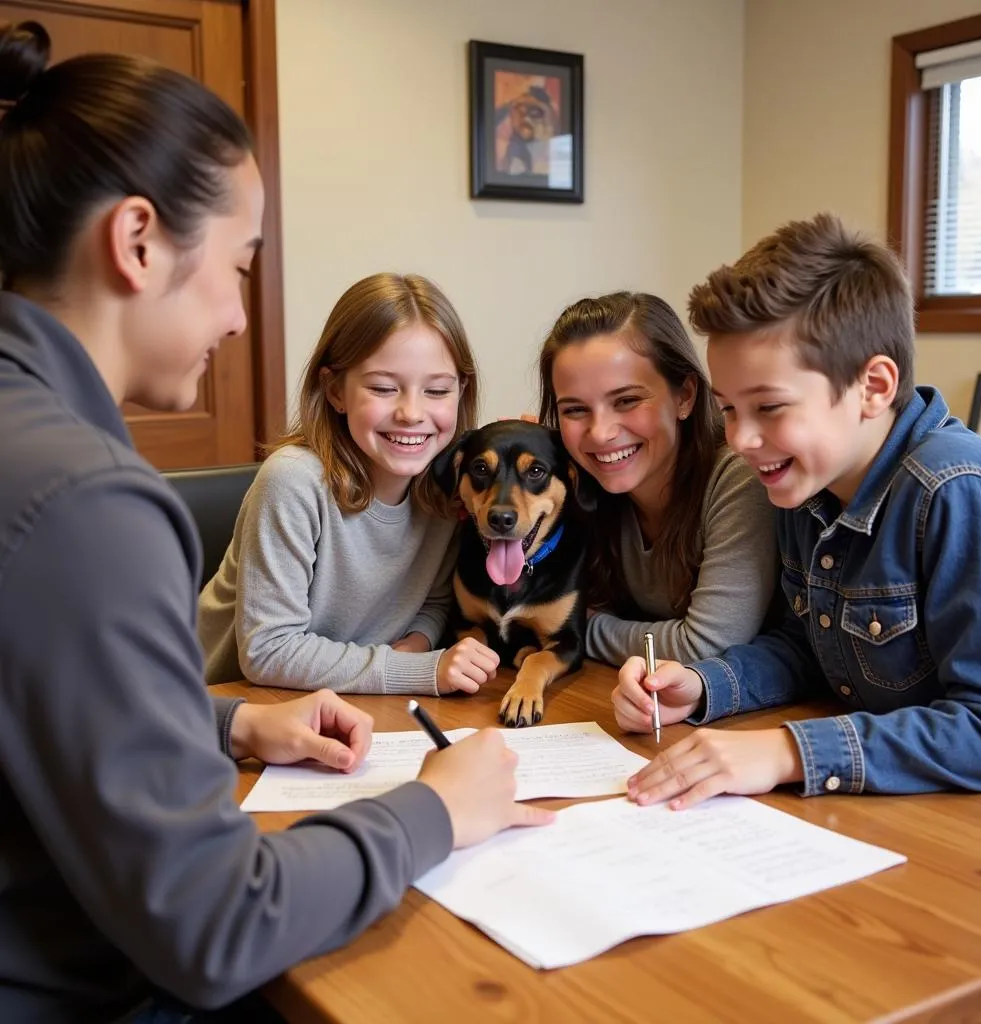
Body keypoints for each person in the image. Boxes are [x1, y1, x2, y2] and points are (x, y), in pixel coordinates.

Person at [0, 22, 551, 1022]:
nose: (241, 317)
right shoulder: (83, 498)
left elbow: (38, 702)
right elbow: (217, 925)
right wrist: (435, 808)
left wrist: (235, 720)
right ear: (136, 242)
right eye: (242, 265)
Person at [615, 213, 981, 809]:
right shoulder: (803, 482)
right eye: (729, 409)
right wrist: (705, 686)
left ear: (874, 386)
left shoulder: (956, 491)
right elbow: (814, 648)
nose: (740, 440)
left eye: (770, 407)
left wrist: (787, 751)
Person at [199, 273, 499, 696]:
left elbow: (431, 602)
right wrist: (420, 670)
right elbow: (267, 650)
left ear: (460, 392)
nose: (412, 413)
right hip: (225, 712)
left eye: (436, 390)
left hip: (345, 704)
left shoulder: (451, 489)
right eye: (382, 388)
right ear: (335, 389)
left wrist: (418, 644)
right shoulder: (293, 482)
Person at [537, 291, 779, 667]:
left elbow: (704, 647)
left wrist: (578, 628)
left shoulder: (736, 478)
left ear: (684, 396)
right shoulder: (575, 485)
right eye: (575, 409)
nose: (600, 433)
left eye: (627, 401)